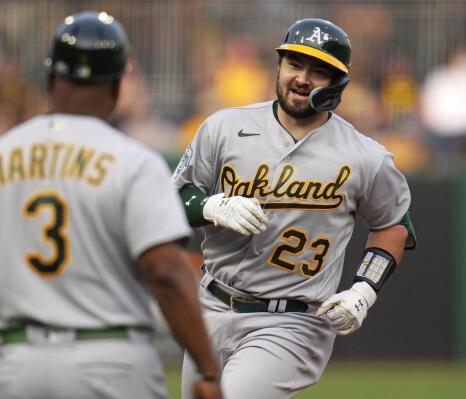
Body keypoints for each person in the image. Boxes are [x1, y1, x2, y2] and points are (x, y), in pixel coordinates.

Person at [0, 11, 222, 399]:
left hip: (22, 363)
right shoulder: (134, 162)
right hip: (112, 360)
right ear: (118, 83)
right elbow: (166, 275)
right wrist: (207, 368)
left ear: (51, 77)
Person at [172, 18, 416, 399]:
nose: (302, 78)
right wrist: (210, 206)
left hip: (291, 320)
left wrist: (364, 289)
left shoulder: (365, 156)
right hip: (210, 305)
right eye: (294, 64)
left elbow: (394, 224)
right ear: (279, 66)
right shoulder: (224, 127)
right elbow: (174, 197)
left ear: (339, 83)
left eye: (319, 71)